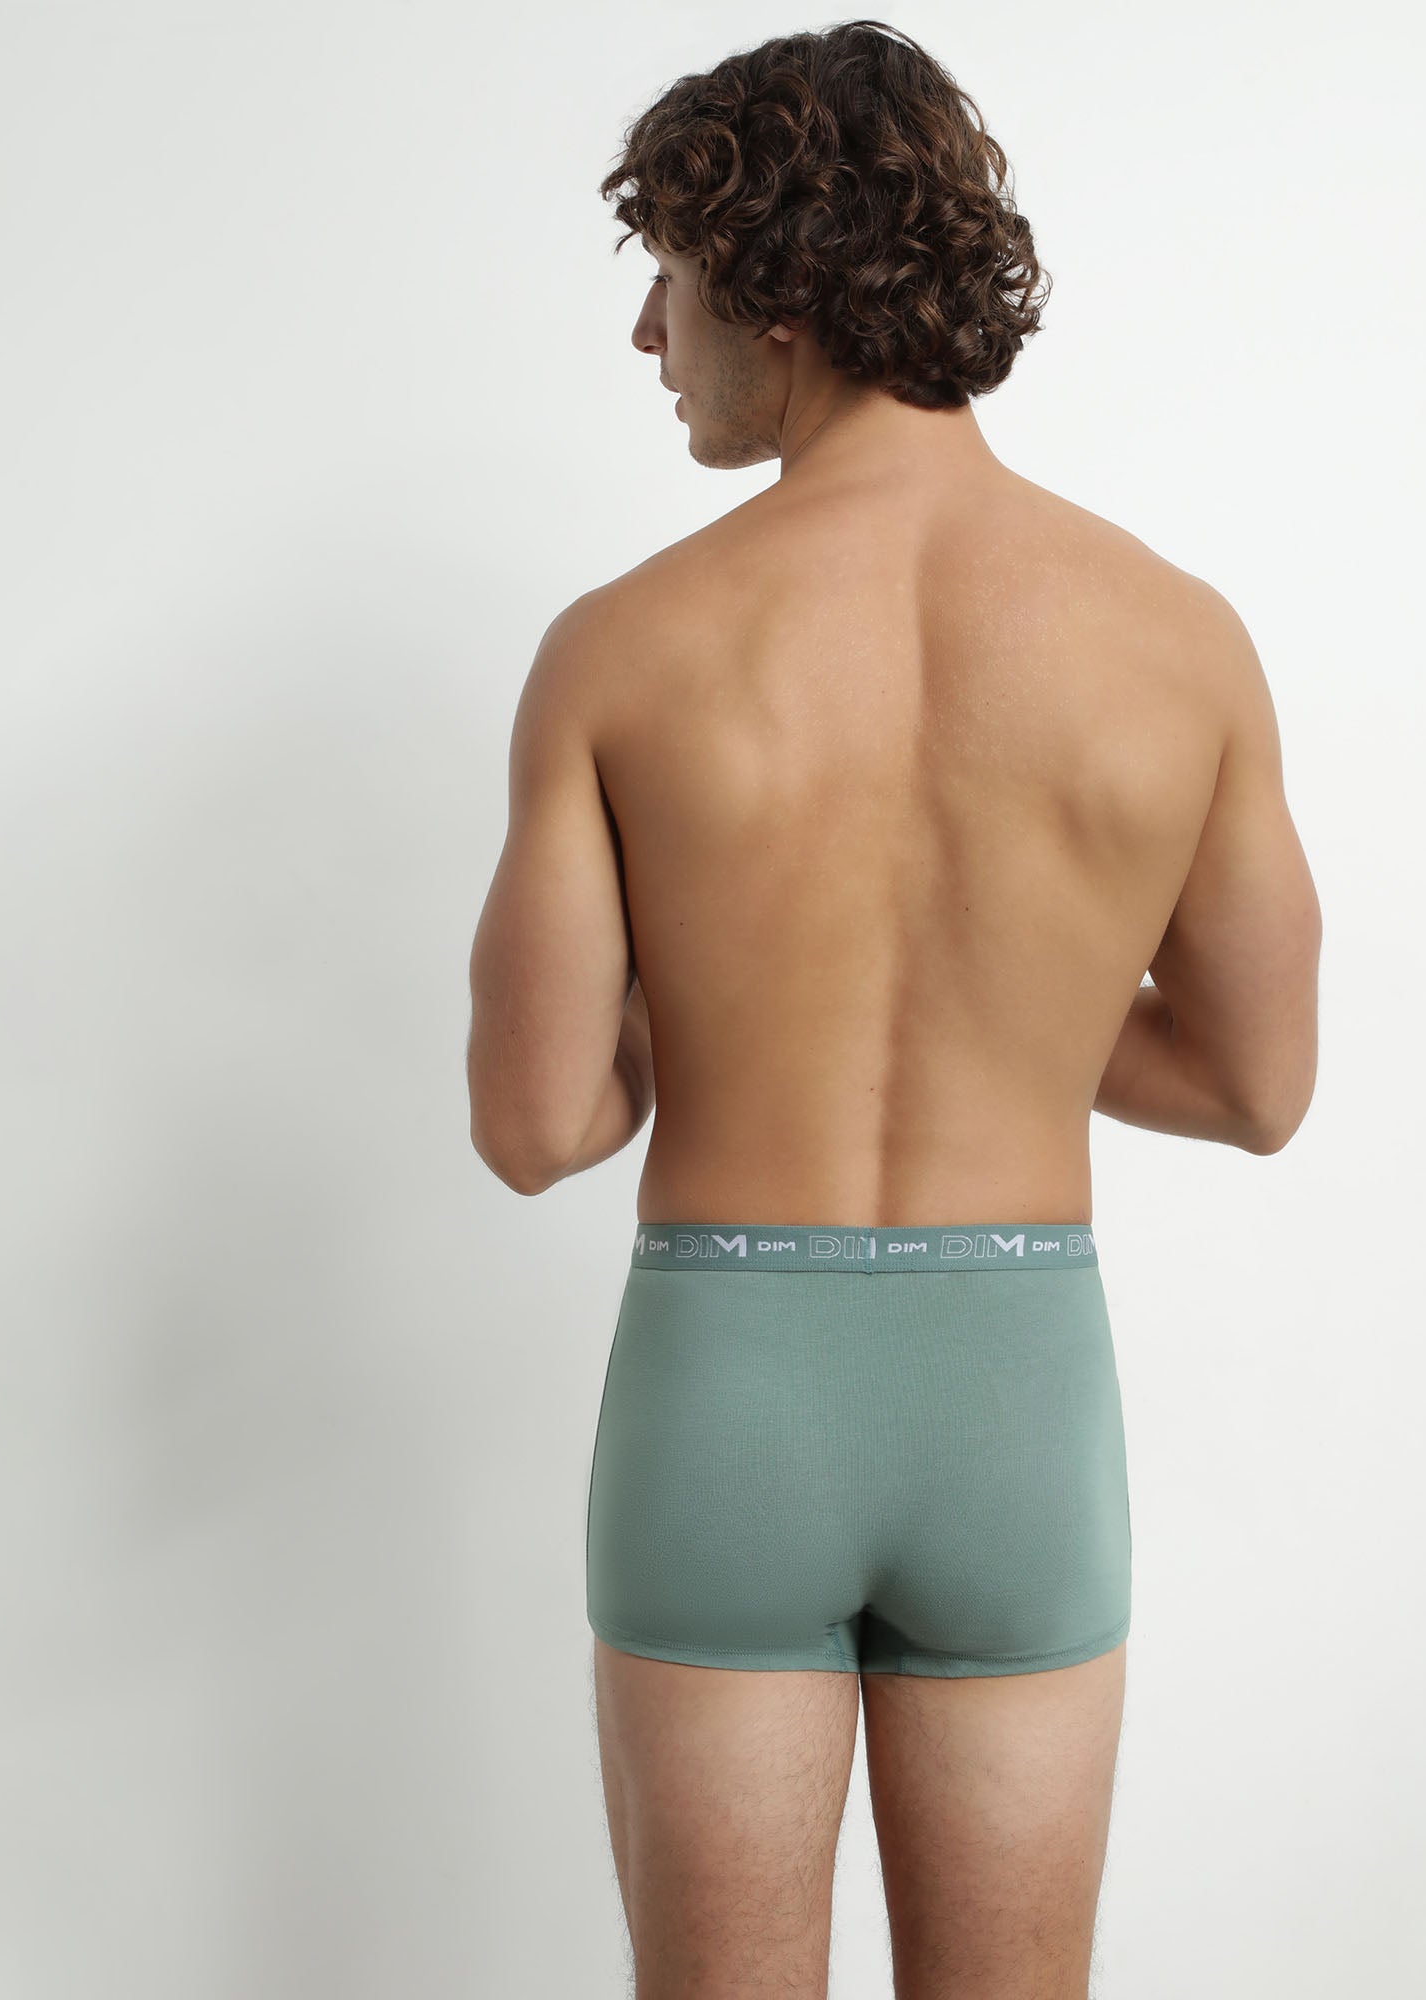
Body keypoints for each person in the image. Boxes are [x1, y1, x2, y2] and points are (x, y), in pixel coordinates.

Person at [466, 19, 1320, 1997]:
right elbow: (1256, 1082)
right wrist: (1024, 1011)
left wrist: (715, 994)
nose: (649, 333)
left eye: (671, 277)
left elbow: (533, 1123)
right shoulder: (1180, 641)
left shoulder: (619, 651)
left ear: (776, 285)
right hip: (1016, 1394)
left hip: (726, 1396)